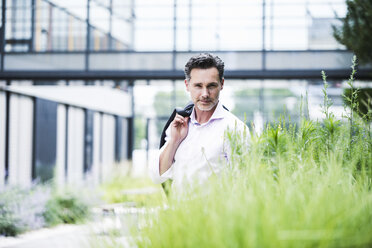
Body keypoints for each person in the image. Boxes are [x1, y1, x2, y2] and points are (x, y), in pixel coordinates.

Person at [150, 53, 249, 190]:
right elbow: (157, 176)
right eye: (198, 86)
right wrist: (174, 141)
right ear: (187, 85)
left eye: (211, 86)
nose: (205, 94)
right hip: (178, 211)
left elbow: (244, 184)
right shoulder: (178, 125)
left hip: (215, 211)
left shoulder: (235, 128)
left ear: (222, 84)